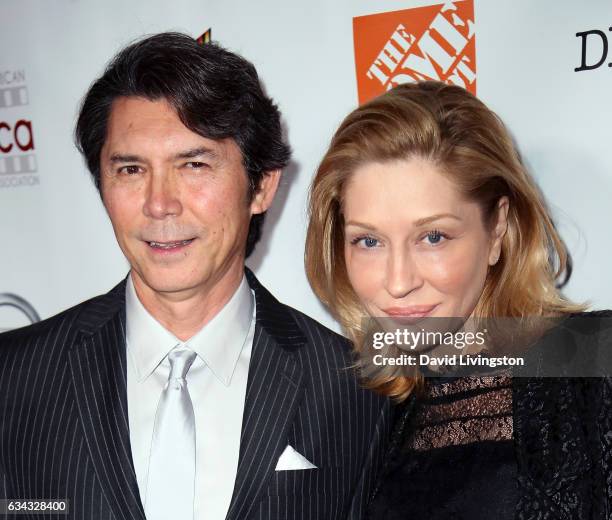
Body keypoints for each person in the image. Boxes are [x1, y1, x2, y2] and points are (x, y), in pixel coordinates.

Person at [0, 33, 391, 520]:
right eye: (130, 170)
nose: (159, 203)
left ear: (262, 185)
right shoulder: (14, 378)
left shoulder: (357, 393)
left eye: (193, 164)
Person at [305, 80, 612, 518]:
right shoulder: (361, 409)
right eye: (368, 241)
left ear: (498, 229)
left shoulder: (597, 361)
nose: (397, 281)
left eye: (433, 237)